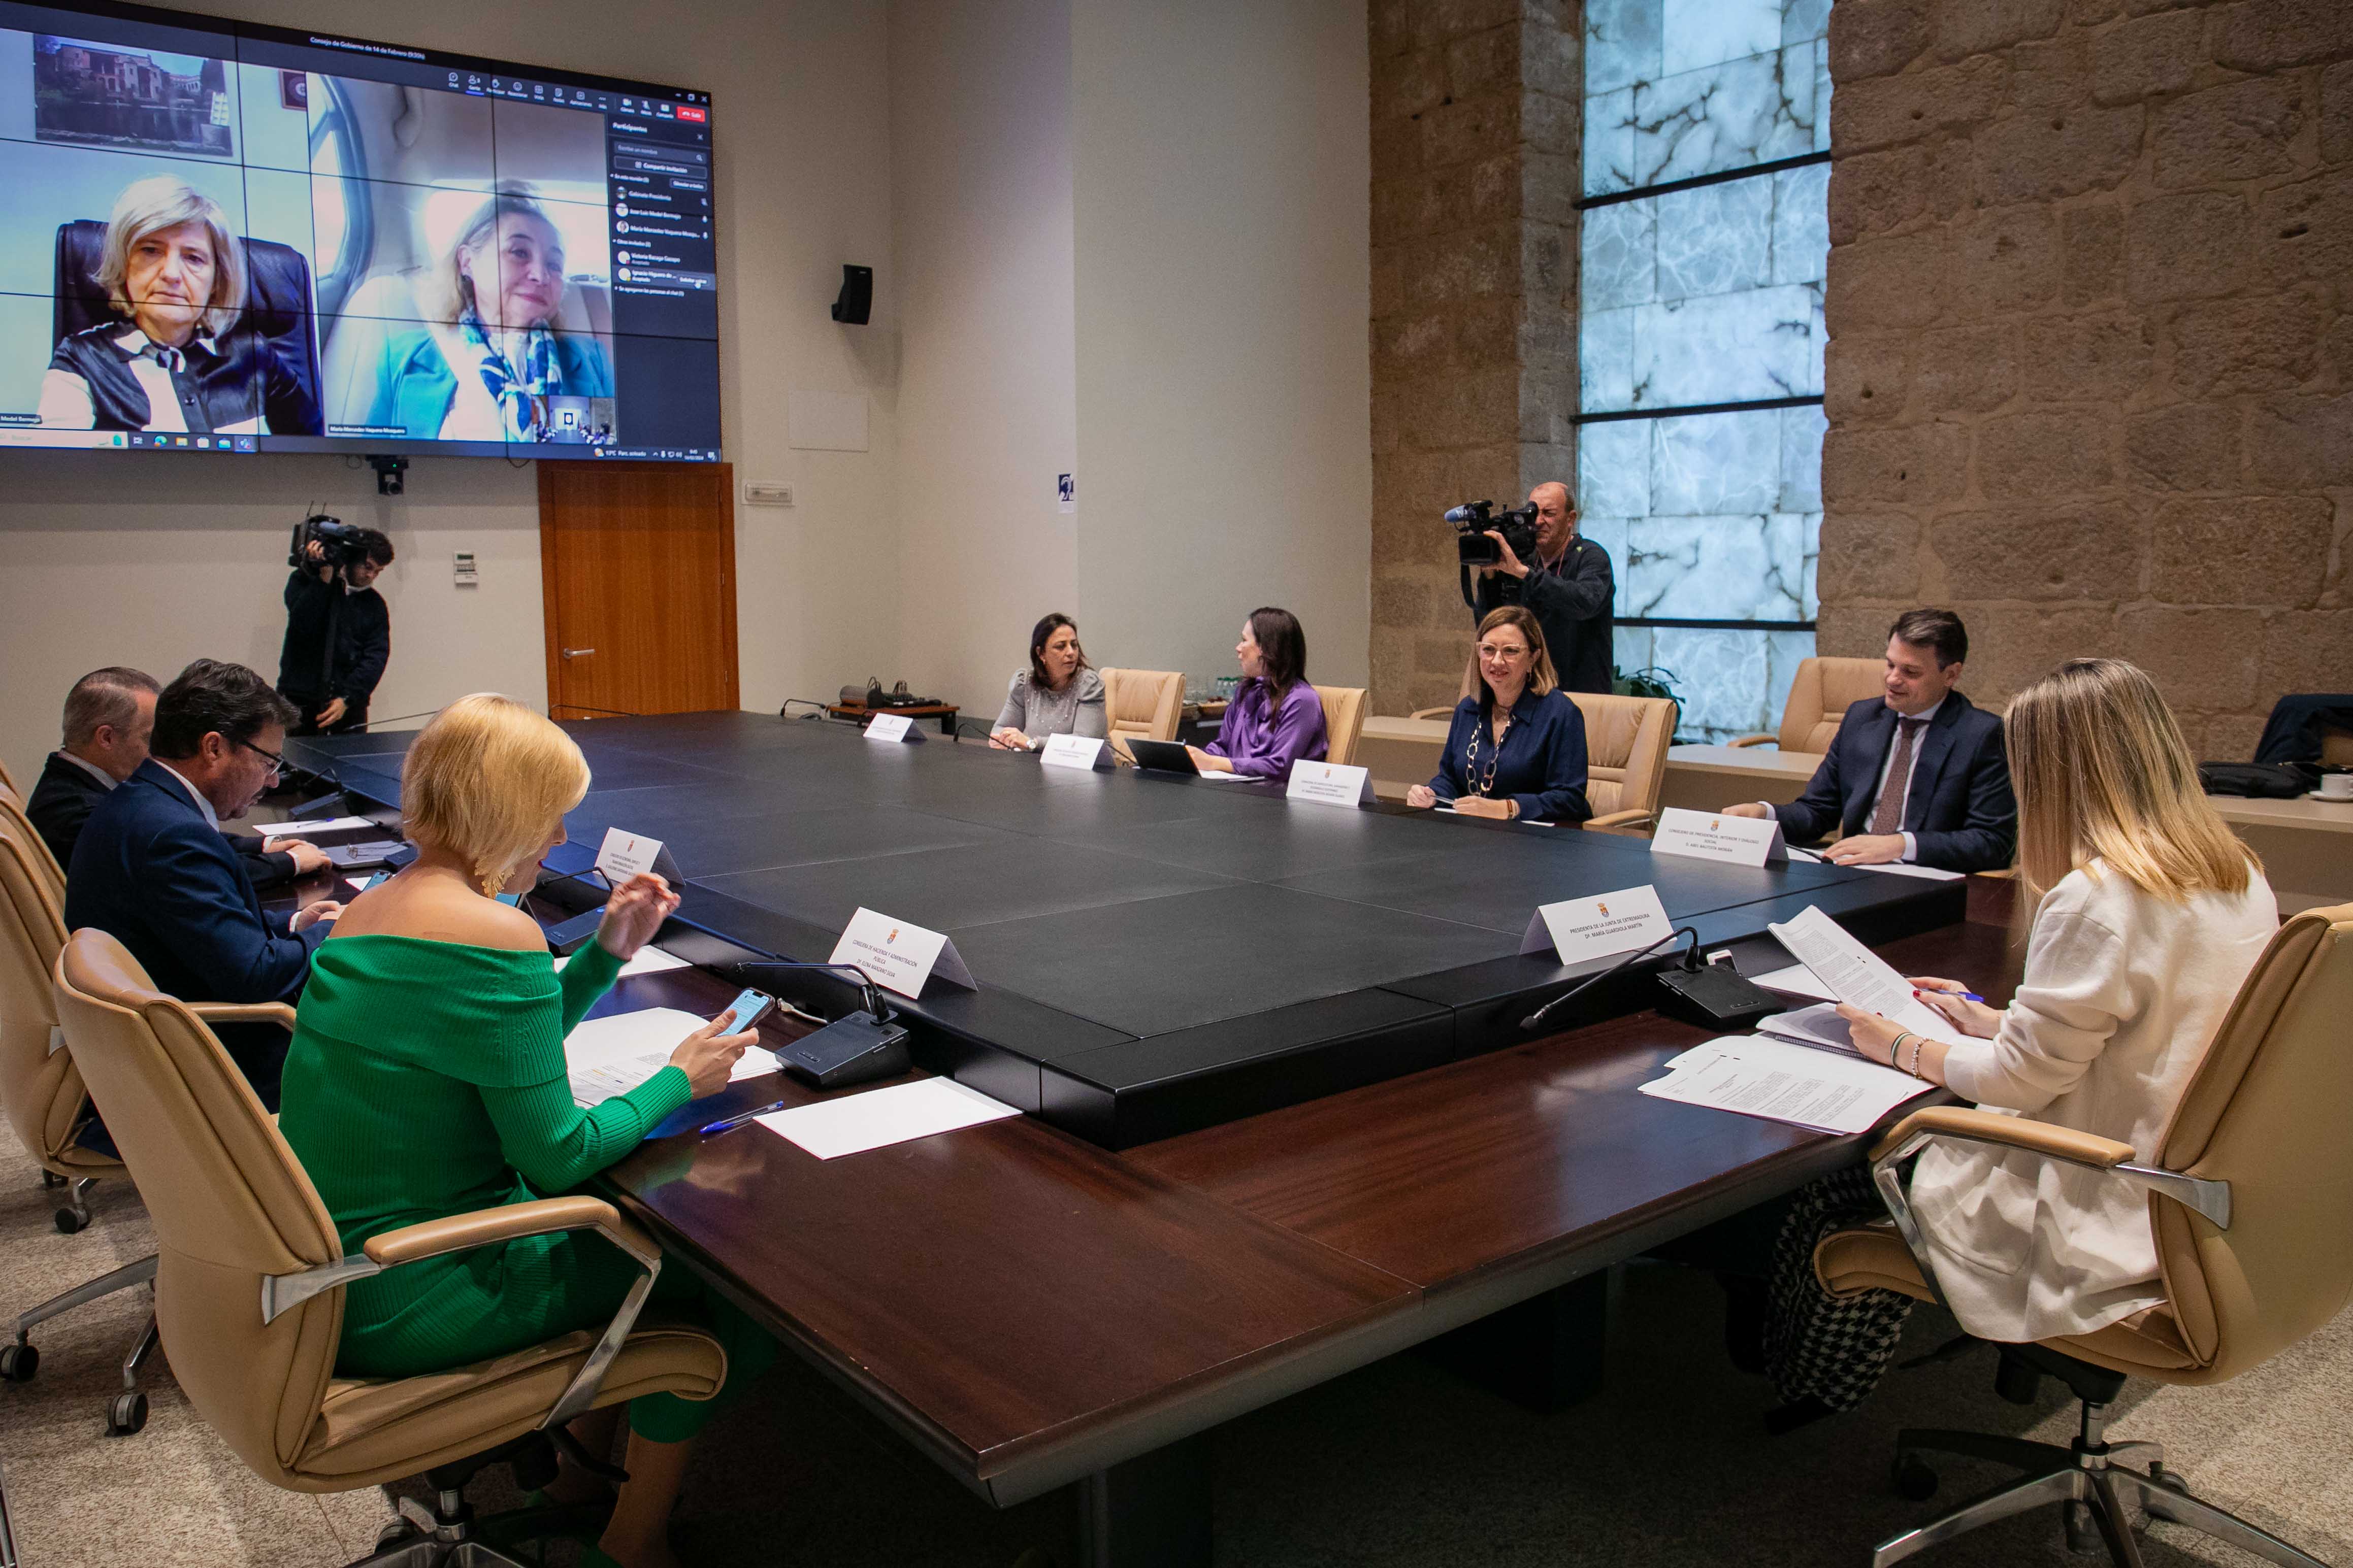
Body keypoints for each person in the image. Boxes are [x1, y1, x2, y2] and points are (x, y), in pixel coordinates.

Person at [276, 695, 776, 1568]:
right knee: (713, 1289)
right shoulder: (495, 931)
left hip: (334, 1269)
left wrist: (607, 949)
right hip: (414, 1287)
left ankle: (573, 1483)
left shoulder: (368, 909)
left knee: (624, 1234)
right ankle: (633, 1539)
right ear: (506, 813)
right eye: (551, 818)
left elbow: (497, 1039)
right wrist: (679, 1077)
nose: (555, 840)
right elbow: (556, 1156)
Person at [1757, 659, 2276, 1419]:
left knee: (1834, 1187)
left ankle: (1818, 1387)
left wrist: (1897, 1044)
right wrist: (1991, 1018)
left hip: (2094, 1186)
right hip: (2180, 1170)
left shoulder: (2096, 898)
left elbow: (2016, 1085)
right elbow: (2153, 1020)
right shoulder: (2234, 874)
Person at [64, 660, 341, 1109]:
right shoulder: (171, 835)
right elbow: (253, 977)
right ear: (214, 748)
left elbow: (192, 926)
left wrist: (293, 921)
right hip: (208, 1064)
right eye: (268, 761)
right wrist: (336, 930)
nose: (272, 781)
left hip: (159, 1041)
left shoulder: (142, 802)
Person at [1722, 608, 2016, 873]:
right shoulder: (1862, 718)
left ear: (1951, 675)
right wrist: (1764, 814)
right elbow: (1817, 812)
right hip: (1849, 873)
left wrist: (1900, 845)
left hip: (1925, 879)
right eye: (1890, 665)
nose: (1892, 679)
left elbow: (1992, 843)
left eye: (1910, 672)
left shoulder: (1982, 735)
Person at [38, 176, 320, 436]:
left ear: (217, 281)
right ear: (124, 266)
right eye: (151, 251)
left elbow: (317, 461)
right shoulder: (81, 358)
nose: (171, 273)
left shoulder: (256, 355)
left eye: (194, 258)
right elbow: (58, 473)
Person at [25, 665, 326, 890]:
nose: (160, 751)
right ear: (106, 738)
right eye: (149, 738)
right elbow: (193, 868)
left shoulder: (75, 789)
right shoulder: (78, 813)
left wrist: (258, 847)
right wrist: (290, 863)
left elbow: (194, 847)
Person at [363, 185, 614, 442]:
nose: (541, 275)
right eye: (519, 252)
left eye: (554, 265)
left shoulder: (590, 359)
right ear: (467, 262)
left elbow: (608, 460)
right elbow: (369, 458)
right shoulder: (403, 359)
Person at [1407, 606, 1592, 824]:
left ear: (1534, 657)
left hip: (1540, 843)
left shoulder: (1560, 714)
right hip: (1474, 836)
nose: (1496, 661)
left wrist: (1509, 808)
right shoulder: (1468, 709)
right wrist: (1431, 794)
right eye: (1488, 650)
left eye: (1511, 651)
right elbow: (1450, 779)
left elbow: (1570, 799)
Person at [1460, 481, 1613, 695]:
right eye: (1534, 514)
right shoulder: (1525, 561)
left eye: (1549, 513)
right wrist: (1490, 576)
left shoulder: (1590, 556)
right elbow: (1489, 624)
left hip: (1580, 694)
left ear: (1571, 519)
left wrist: (1524, 573)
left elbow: (1584, 602)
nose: (1539, 522)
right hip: (1531, 695)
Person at [1189, 608, 1328, 784]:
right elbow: (1223, 746)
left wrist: (1216, 763)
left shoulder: (1302, 700)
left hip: (1276, 802)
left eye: (1244, 641)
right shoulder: (1246, 691)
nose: (1238, 648)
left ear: (1267, 648)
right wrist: (1193, 758)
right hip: (1238, 792)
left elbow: (1280, 766)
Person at [277, 530, 396, 735]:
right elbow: (302, 625)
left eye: (378, 571)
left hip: (349, 706)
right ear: (351, 558)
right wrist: (323, 581)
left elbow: (376, 656)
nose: (371, 576)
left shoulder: (374, 604)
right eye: (367, 567)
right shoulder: (302, 580)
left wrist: (347, 698)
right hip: (300, 699)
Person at [990, 613, 1106, 749]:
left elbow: (1084, 743)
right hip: (1036, 766)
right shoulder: (1025, 683)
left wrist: (1032, 744)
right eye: (1061, 646)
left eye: (1074, 645)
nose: (1071, 652)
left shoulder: (1089, 685)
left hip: (1087, 768)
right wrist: (1005, 739)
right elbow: (1000, 729)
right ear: (1041, 653)